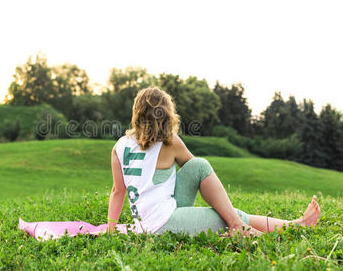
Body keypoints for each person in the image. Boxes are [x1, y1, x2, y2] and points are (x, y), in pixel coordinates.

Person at [107, 87, 321, 237]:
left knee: (199, 165)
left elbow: (118, 191)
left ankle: (239, 223)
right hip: (161, 223)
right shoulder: (169, 142)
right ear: (167, 114)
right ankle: (290, 226)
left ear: (137, 112)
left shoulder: (119, 146)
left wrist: (110, 228)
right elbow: (203, 178)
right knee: (230, 217)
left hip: (146, 220)